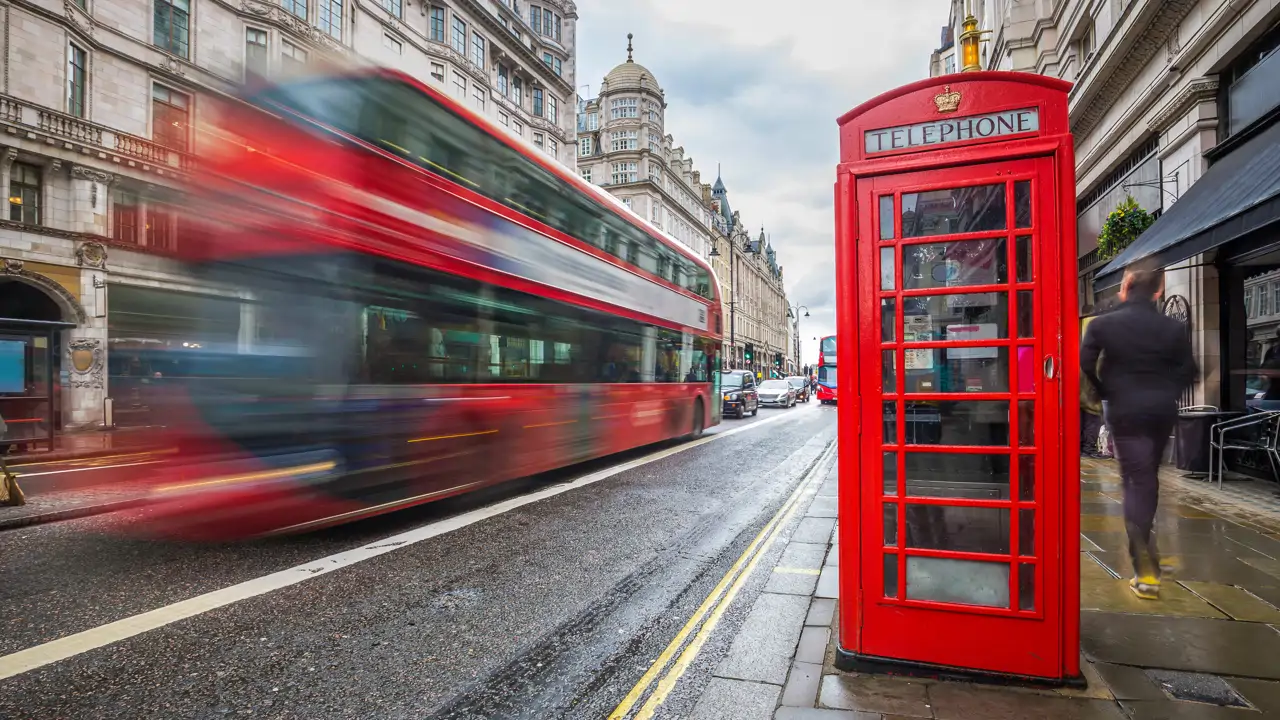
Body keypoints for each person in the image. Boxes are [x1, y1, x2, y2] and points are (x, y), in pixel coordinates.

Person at [1081, 265, 1196, 600]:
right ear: (1158, 290)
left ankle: (1146, 570)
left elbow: (1085, 364)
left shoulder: (1103, 324)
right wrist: (1166, 392)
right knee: (1147, 477)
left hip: (1124, 409)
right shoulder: (1172, 327)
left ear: (1125, 286)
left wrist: (1105, 390)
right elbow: (1190, 371)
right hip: (1160, 411)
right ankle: (1148, 553)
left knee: (1136, 479)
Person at [1079, 306, 1104, 457]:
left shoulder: (1077, 327)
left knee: (1080, 412)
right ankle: (1089, 448)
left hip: (1075, 377)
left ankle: (1079, 446)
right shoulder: (1098, 326)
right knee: (1093, 412)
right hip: (1090, 375)